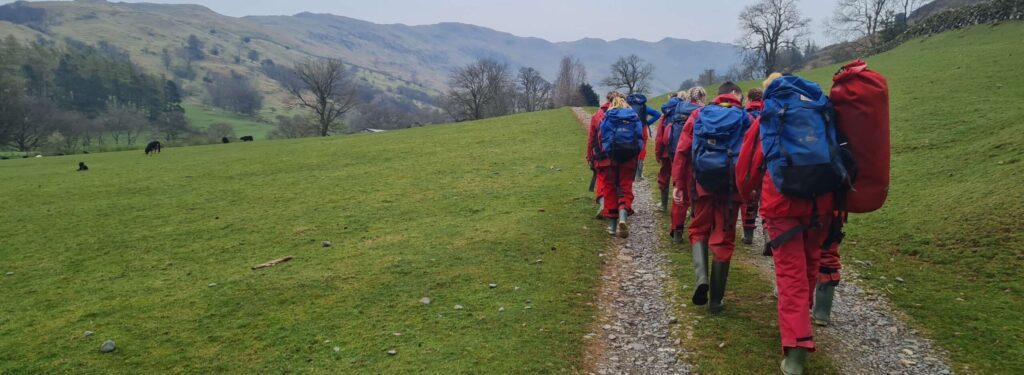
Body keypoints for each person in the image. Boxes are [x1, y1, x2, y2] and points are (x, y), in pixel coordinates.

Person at [736, 73, 837, 374]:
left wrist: (747, 197)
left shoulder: (767, 120)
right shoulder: (819, 113)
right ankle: (802, 322)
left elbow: (746, 170)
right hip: (820, 203)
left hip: (782, 207)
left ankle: (795, 353)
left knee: (790, 277)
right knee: (809, 265)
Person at [672, 82, 750, 314]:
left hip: (702, 184)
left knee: (698, 229)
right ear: (737, 96)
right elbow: (753, 154)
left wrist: (678, 183)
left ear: (717, 96)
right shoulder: (745, 119)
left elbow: (682, 150)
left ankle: (701, 279)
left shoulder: (699, 114)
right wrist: (751, 188)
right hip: (730, 189)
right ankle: (716, 301)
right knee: (723, 238)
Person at [596, 96, 645, 238]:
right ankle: (623, 216)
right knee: (625, 188)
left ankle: (611, 227)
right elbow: (640, 137)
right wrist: (634, 152)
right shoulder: (633, 116)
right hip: (629, 158)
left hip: (612, 157)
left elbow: (601, 136)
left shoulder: (608, 116)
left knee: (610, 189)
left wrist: (607, 151)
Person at [668, 87, 707, 243]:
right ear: (702, 98)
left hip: (682, 161)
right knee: (699, 199)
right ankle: (698, 238)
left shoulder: (678, 110)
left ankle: (677, 232)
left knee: (680, 197)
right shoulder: (705, 114)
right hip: (702, 163)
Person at [587, 92, 622, 218]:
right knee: (619, 180)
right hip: (620, 154)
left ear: (606, 99)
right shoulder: (624, 112)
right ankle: (621, 207)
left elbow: (591, 138)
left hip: (601, 154)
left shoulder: (597, 115)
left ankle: (603, 203)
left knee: (602, 179)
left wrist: (589, 156)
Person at [740, 87, 765, 245]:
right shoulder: (767, 113)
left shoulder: (745, 115)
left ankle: (748, 234)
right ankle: (769, 233)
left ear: (749, 99)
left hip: (751, 161)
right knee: (767, 199)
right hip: (768, 160)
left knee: (750, 198)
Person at [655, 92, 686, 211]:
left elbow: (659, 137)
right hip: (680, 151)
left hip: (666, 151)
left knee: (664, 176)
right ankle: (679, 204)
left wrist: (658, 153)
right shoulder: (686, 113)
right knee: (679, 176)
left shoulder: (666, 114)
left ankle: (663, 204)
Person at [627, 94, 662, 180]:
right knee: (642, 150)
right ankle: (638, 175)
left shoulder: (628, 106)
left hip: (630, 130)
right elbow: (657, 114)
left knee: (631, 150)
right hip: (642, 130)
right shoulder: (644, 107)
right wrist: (647, 123)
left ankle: (630, 173)